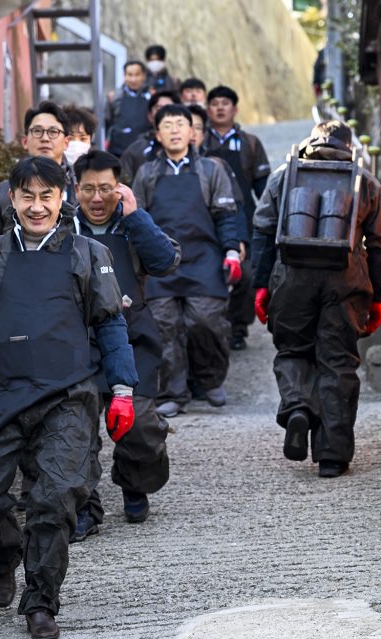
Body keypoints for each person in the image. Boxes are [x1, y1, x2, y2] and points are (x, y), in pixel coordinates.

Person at [0, 157, 138, 639]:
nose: (37, 207)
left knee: (55, 497)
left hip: (65, 396)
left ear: (63, 199)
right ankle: (1, 557)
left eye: (47, 196)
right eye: (27, 197)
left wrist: (122, 390)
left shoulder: (88, 253)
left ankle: (41, 600)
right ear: (11, 200)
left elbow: (110, 324)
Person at [251, 120, 381, 477]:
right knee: (337, 362)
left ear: (309, 141)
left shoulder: (285, 176)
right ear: (350, 147)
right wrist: (378, 295)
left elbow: (262, 229)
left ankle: (298, 406)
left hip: (290, 275)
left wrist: (260, 285)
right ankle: (332, 455)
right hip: (345, 280)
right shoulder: (365, 181)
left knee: (293, 350)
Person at [70, 150, 181, 538]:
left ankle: (135, 482)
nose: (97, 198)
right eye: (88, 189)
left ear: (120, 188)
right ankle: (84, 505)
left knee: (141, 425)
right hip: (76, 344)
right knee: (75, 431)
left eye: (105, 189)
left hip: (133, 341)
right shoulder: (63, 228)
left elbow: (166, 261)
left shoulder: (133, 225)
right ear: (75, 189)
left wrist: (136, 217)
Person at [133, 103, 241, 418]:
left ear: (192, 132)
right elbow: (136, 219)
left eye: (181, 124)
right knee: (165, 327)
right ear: (158, 134)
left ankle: (209, 381)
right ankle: (173, 393)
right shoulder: (147, 173)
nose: (175, 130)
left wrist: (231, 250)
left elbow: (226, 216)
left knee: (206, 321)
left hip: (203, 258)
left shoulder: (211, 170)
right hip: (160, 262)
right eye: (168, 125)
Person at [202, 85, 271, 351]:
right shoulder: (200, 141)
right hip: (208, 217)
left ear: (235, 109)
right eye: (215, 103)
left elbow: (263, 188)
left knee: (246, 276)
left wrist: (267, 218)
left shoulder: (250, 143)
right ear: (209, 110)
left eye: (225, 103)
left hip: (245, 218)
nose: (220, 107)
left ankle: (238, 328)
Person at [0, 101, 76, 245]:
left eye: (53, 132)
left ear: (66, 142)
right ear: (25, 141)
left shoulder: (82, 188)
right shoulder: (3, 192)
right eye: (37, 131)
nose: (45, 138)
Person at [119, 90, 177, 185]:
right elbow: (123, 186)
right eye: (159, 108)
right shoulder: (135, 151)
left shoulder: (188, 148)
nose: (164, 114)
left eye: (169, 109)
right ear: (150, 116)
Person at [106, 61, 152, 158]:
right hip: (118, 150)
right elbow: (107, 120)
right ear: (124, 76)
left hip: (145, 149)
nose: (133, 79)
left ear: (143, 76)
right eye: (129, 75)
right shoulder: (114, 97)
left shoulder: (151, 96)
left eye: (137, 75)